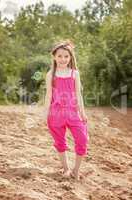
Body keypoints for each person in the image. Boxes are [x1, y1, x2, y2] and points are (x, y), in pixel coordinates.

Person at [43, 40, 89, 181]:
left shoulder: (75, 73)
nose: (63, 59)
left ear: (70, 58)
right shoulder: (51, 74)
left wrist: (82, 112)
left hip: (73, 112)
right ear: (54, 57)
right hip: (56, 113)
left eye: (66, 56)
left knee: (82, 139)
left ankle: (76, 170)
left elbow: (78, 94)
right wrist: (46, 114)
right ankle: (66, 168)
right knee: (60, 142)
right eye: (60, 56)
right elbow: (49, 95)